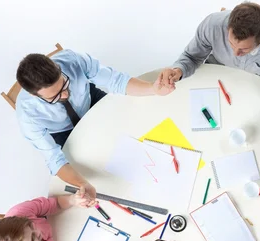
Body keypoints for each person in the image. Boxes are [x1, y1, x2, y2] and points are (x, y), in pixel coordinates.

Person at [15, 49, 174, 203]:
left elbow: (116, 80)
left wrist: (152, 88)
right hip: (63, 131)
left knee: (135, 127)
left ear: (58, 67)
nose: (64, 95)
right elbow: (54, 160)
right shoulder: (27, 115)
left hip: (90, 101)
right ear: (34, 95)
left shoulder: (73, 60)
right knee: (100, 169)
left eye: (65, 85)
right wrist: (82, 184)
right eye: (54, 97)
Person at [157, 2, 260, 129]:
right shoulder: (212, 25)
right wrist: (178, 70)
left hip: (255, 84)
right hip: (216, 75)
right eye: (231, 44)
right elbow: (192, 57)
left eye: (244, 49)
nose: (235, 53)